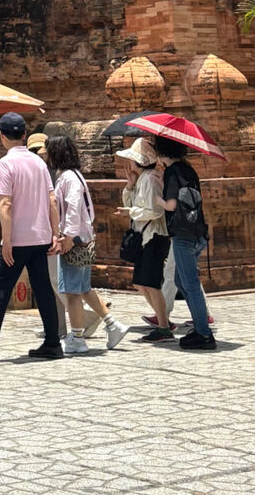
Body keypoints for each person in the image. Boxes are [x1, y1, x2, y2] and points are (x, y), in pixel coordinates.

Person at [0, 113, 62, 361]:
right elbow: (52, 200)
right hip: (41, 236)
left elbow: (5, 204)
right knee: (43, 289)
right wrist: (56, 233)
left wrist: (7, 240)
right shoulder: (39, 163)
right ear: (25, 135)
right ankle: (52, 342)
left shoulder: (5, 164)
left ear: (1, 135)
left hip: (17, 238)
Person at [45, 136, 129, 353]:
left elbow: (72, 208)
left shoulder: (68, 179)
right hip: (83, 239)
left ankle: (77, 338)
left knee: (71, 292)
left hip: (76, 241)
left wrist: (68, 237)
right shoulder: (74, 176)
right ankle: (113, 324)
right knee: (83, 288)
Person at [154, 136, 216, 350]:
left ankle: (204, 334)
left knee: (189, 284)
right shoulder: (189, 170)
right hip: (197, 232)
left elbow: (171, 205)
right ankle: (200, 326)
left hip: (183, 236)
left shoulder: (173, 172)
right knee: (182, 282)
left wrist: (158, 200)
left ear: (162, 152)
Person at [115, 137, 172, 342]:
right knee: (141, 283)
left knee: (151, 283)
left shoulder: (150, 179)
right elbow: (133, 204)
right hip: (145, 237)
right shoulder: (142, 179)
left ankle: (164, 327)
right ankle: (163, 318)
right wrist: (130, 186)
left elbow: (155, 211)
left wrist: (131, 212)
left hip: (155, 236)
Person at [28, 133, 70, 340]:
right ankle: (58, 327)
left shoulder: (56, 174)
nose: (38, 156)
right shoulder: (42, 171)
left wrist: (57, 233)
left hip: (55, 233)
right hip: (46, 231)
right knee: (53, 284)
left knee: (57, 282)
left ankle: (93, 317)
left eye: (40, 152)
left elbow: (54, 204)